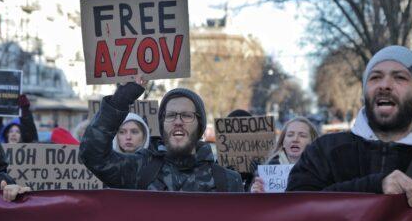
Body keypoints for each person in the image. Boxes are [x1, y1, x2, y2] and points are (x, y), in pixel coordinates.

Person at [286, 45, 412, 208]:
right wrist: (374, 186)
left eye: (400, 77)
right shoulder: (324, 151)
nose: (385, 85)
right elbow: (295, 209)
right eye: (375, 77)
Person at [80, 78, 243, 192]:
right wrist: (121, 99)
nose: (178, 122)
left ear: (200, 125)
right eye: (171, 115)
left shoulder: (228, 181)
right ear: (161, 124)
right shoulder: (140, 168)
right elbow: (93, 156)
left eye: (186, 116)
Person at [251, 117, 318, 193]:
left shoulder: (323, 172)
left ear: (313, 142)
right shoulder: (265, 174)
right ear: (283, 142)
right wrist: (256, 195)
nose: (295, 139)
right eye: (290, 135)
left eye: (302, 135)